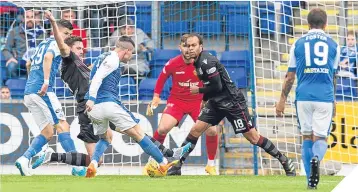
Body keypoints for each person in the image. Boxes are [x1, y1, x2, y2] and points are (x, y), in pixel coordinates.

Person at [173, 33, 296, 178]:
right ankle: (177, 165)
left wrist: (199, 91)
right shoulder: (197, 62)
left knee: (253, 138)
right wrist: (204, 100)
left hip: (232, 102)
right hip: (215, 102)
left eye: (194, 45)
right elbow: (209, 84)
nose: (191, 48)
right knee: (195, 130)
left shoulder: (206, 62)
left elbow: (217, 86)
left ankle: (285, 161)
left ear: (201, 47)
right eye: (188, 46)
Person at [84, 36, 187, 178]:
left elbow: (91, 75)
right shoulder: (113, 59)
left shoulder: (102, 56)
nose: (131, 56)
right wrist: (91, 98)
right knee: (139, 133)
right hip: (106, 103)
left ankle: (93, 164)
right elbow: (97, 78)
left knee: (106, 137)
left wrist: (91, 100)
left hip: (95, 109)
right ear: (126, 50)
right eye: (131, 52)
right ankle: (163, 163)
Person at [276, 8, 339, 189]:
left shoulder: (298, 43)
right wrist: (333, 100)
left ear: (307, 24)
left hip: (303, 96)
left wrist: (282, 99)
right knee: (320, 138)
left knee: (306, 137)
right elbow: (333, 76)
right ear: (325, 24)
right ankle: (316, 159)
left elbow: (289, 76)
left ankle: (310, 183)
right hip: (324, 96)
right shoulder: (334, 44)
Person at [14, 19, 80, 176]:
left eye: (70, 35)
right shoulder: (55, 44)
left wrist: (33, 81)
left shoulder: (42, 44)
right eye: (65, 33)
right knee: (63, 125)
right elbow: (47, 58)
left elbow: (29, 64)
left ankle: (24, 160)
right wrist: (44, 82)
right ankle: (77, 165)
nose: (67, 37)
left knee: (47, 132)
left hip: (29, 92)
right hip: (43, 91)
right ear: (56, 32)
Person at [146, 34, 219, 175]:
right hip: (177, 102)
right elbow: (162, 78)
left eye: (191, 46)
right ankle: (152, 161)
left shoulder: (205, 63)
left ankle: (211, 164)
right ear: (180, 48)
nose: (188, 49)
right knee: (162, 129)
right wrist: (156, 97)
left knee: (212, 130)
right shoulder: (173, 63)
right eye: (185, 46)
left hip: (198, 102)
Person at [2, 10, 45, 79]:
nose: (30, 19)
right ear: (23, 19)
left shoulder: (42, 33)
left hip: (36, 61)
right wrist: (10, 58)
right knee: (11, 66)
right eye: (27, 17)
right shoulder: (14, 31)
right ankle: (13, 87)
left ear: (35, 19)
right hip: (20, 61)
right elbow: (6, 49)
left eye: (32, 17)